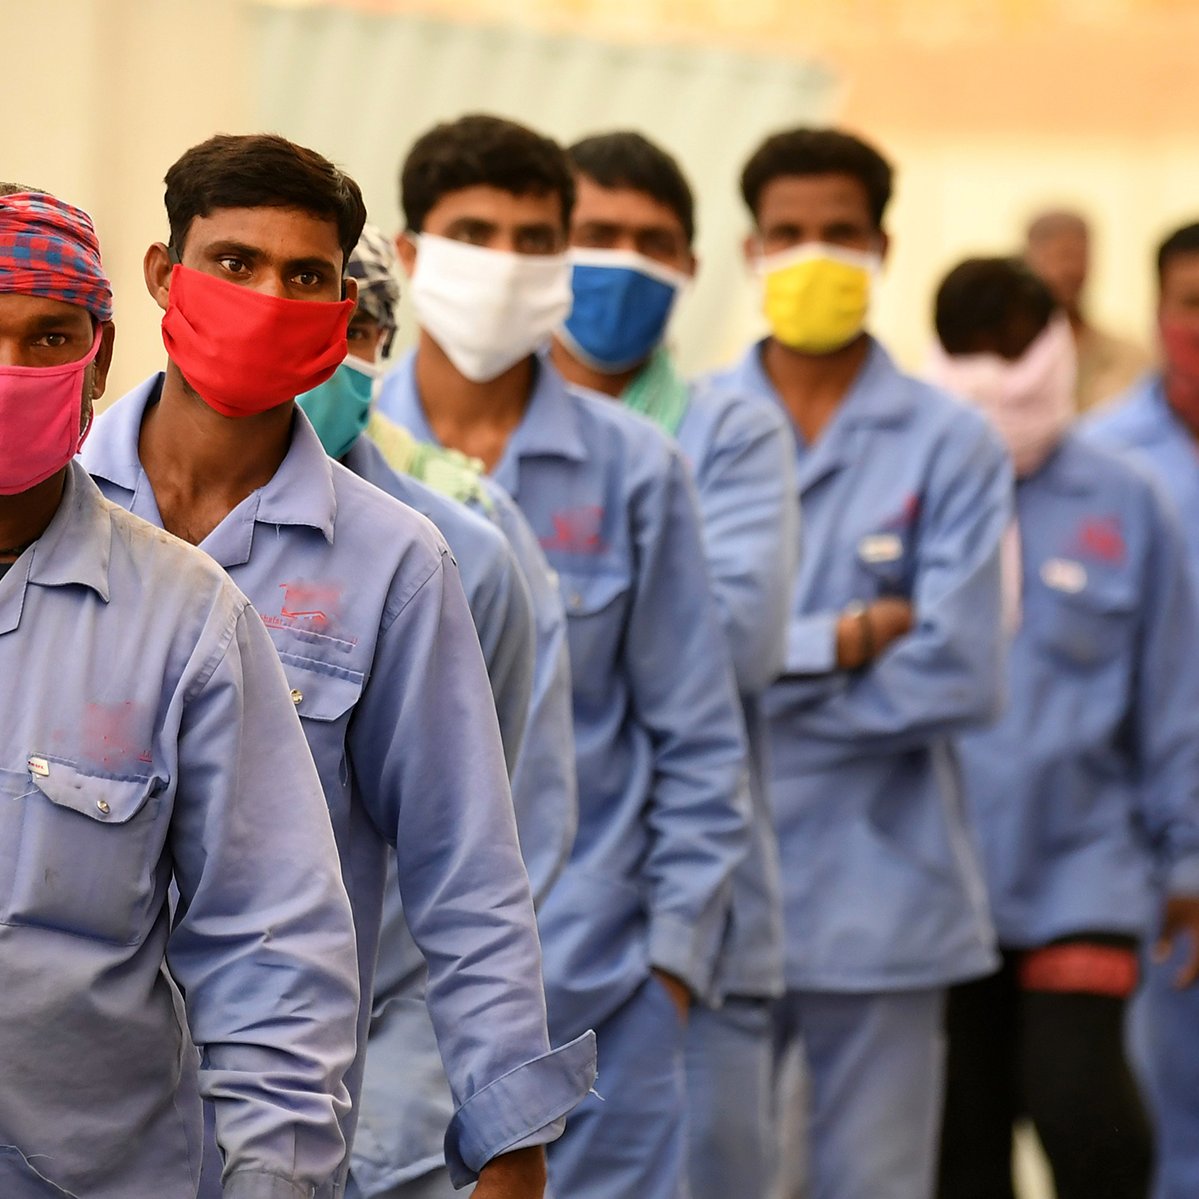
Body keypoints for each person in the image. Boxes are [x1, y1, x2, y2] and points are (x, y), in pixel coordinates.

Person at [80, 134, 596, 1199]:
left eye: (305, 276)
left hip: (279, 1122)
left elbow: (469, 870)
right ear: (161, 276)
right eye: (233, 263)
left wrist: (510, 1134)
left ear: (338, 314)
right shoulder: (50, 516)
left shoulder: (397, 563)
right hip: (56, 1112)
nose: (267, 297)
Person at [376, 113, 750, 1199]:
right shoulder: (345, 462)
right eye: (472, 231)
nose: (503, 261)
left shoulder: (638, 470)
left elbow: (697, 739)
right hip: (394, 1009)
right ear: (407, 254)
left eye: (534, 238)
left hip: (598, 1001)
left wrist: (666, 968)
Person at [0, 186, 362, 1198]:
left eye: (48, 337)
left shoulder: (184, 617)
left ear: (99, 360)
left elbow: (272, 947)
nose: (12, 371)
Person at [709, 127, 1010, 1199]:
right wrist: (835, 640)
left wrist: (745, 686)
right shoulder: (687, 430)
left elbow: (959, 669)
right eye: (787, 233)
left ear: (881, 245)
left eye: (838, 233)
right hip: (715, 888)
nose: (812, 256)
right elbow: (669, 655)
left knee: (873, 1184)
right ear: (749, 249)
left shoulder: (950, 441)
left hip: (883, 895)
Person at [296, 225, 580, 1199]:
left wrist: (481, 1116)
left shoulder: (448, 559)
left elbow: (484, 870)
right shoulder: (109, 528)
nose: (322, 352)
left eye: (357, 327)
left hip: (375, 1060)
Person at [549, 129, 799, 1199]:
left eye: (651, 243)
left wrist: (668, 964)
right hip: (477, 950)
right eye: (593, 235)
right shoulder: (428, 438)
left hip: (674, 939)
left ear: (690, 269)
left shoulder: (727, 434)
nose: (621, 262)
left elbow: (737, 641)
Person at [926, 256, 1199, 1199]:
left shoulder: (1125, 501)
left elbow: (1171, 697)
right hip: (933, 881)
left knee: (1091, 1127)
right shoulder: (910, 495)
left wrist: (1186, 858)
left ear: (1065, 344)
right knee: (960, 1150)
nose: (998, 374)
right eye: (973, 350)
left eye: (1017, 345)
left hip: (1080, 866)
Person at [1084, 220, 1199, 1199]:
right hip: (1162, 855)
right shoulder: (1102, 467)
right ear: (1157, 313)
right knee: (1164, 1121)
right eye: (1190, 302)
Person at [1024, 209, 1151, 412]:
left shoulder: (1131, 356)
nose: (1068, 271)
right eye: (1057, 257)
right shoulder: (1008, 360)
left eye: (1077, 256)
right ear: (1027, 261)